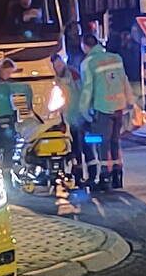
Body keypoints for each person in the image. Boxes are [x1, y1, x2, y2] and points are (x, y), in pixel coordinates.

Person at [79, 34, 135, 191]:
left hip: (102, 108)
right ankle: (118, 176)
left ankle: (105, 177)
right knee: (115, 141)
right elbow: (124, 80)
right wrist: (130, 102)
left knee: (102, 144)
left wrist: (84, 111)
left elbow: (87, 89)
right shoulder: (116, 58)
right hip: (118, 107)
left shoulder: (88, 63)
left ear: (84, 46)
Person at [51, 53, 90, 183]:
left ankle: (82, 173)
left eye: (59, 63)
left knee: (80, 146)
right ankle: (75, 172)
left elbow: (82, 91)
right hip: (63, 117)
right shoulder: (53, 78)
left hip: (76, 116)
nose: (59, 66)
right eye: (56, 64)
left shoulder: (72, 74)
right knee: (71, 147)